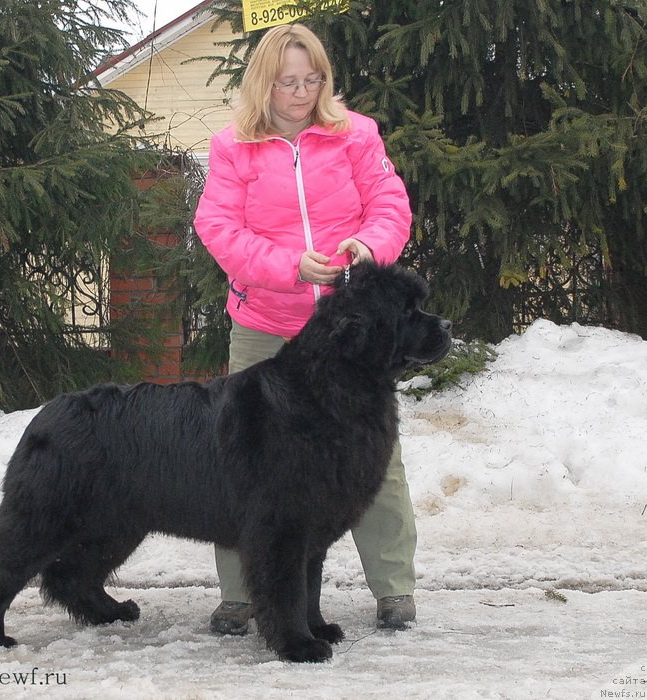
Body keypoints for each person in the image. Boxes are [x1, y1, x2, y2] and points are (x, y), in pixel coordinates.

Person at [193, 23, 417, 635]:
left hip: (351, 339)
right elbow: (219, 229)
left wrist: (367, 246)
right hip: (267, 322)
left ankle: (394, 589)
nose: (300, 92)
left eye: (312, 79)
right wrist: (289, 266)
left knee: (375, 461)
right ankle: (242, 596)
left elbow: (390, 205)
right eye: (288, 81)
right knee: (242, 464)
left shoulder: (356, 135)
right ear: (264, 83)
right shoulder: (232, 146)